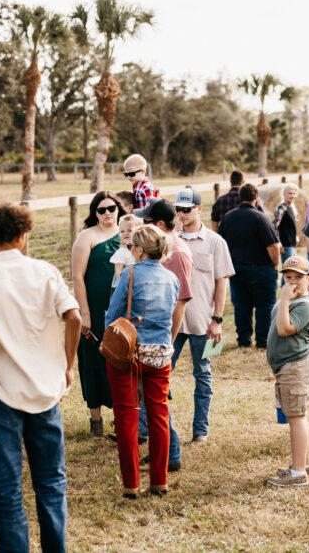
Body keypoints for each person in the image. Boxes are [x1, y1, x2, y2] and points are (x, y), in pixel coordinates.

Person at [0, 202, 81, 550]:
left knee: (8, 489)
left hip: (2, 394)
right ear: (23, 235)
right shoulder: (44, 272)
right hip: (45, 392)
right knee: (51, 481)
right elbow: (74, 318)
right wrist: (68, 367)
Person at [103, 225, 179, 498]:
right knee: (159, 415)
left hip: (130, 354)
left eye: (132, 247)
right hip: (160, 352)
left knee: (127, 416)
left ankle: (131, 484)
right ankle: (159, 481)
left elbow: (113, 313)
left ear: (140, 249)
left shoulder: (130, 274)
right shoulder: (172, 278)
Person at [172, 188, 234, 446]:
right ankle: (151, 429)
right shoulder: (168, 240)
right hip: (172, 321)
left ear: (199, 209)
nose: (182, 214)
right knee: (159, 373)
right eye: (178, 209)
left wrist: (217, 319)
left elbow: (222, 282)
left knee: (204, 374)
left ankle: (200, 431)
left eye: (187, 209)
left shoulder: (215, 242)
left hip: (204, 321)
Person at [134, 198, 192, 468]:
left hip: (163, 336)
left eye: (147, 222)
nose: (143, 225)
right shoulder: (166, 249)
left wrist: (168, 340)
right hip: (153, 334)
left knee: (157, 397)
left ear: (159, 225)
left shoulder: (176, 253)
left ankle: (172, 454)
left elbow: (180, 300)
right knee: (152, 396)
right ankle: (161, 449)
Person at [70, 191, 121, 439]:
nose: (107, 213)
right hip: (95, 310)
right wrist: (85, 314)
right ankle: (96, 419)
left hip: (120, 311)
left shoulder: (127, 233)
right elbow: (77, 277)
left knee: (119, 361)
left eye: (111, 208)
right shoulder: (86, 237)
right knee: (94, 362)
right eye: (101, 210)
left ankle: (120, 417)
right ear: (94, 213)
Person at [265, 256, 309, 488]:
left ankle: (298, 474)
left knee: (296, 418)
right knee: (298, 416)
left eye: (299, 277)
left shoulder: (304, 303)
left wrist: (285, 298)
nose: (293, 282)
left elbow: (285, 329)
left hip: (296, 366)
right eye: (288, 278)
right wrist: (285, 298)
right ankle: (304, 464)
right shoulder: (292, 298)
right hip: (288, 366)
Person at [218, 184, 281, 349]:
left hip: (237, 268)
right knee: (264, 305)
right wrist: (276, 264)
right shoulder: (260, 217)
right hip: (261, 268)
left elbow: (220, 243)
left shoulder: (228, 217)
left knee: (241, 305)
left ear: (240, 196)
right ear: (256, 197)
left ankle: (244, 341)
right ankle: (263, 341)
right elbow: (273, 245)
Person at [273, 183, 300, 263]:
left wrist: (296, 238)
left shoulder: (291, 207)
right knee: (289, 269)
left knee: (292, 269)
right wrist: (279, 244)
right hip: (285, 245)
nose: (292, 195)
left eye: (294, 193)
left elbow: (291, 226)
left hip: (291, 245)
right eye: (289, 193)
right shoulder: (281, 209)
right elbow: (275, 227)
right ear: (284, 194)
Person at [111, 214, 138, 286]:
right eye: (122, 231)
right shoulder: (122, 252)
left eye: (129, 230)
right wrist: (122, 286)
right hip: (125, 283)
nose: (125, 233)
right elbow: (118, 270)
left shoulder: (140, 248)